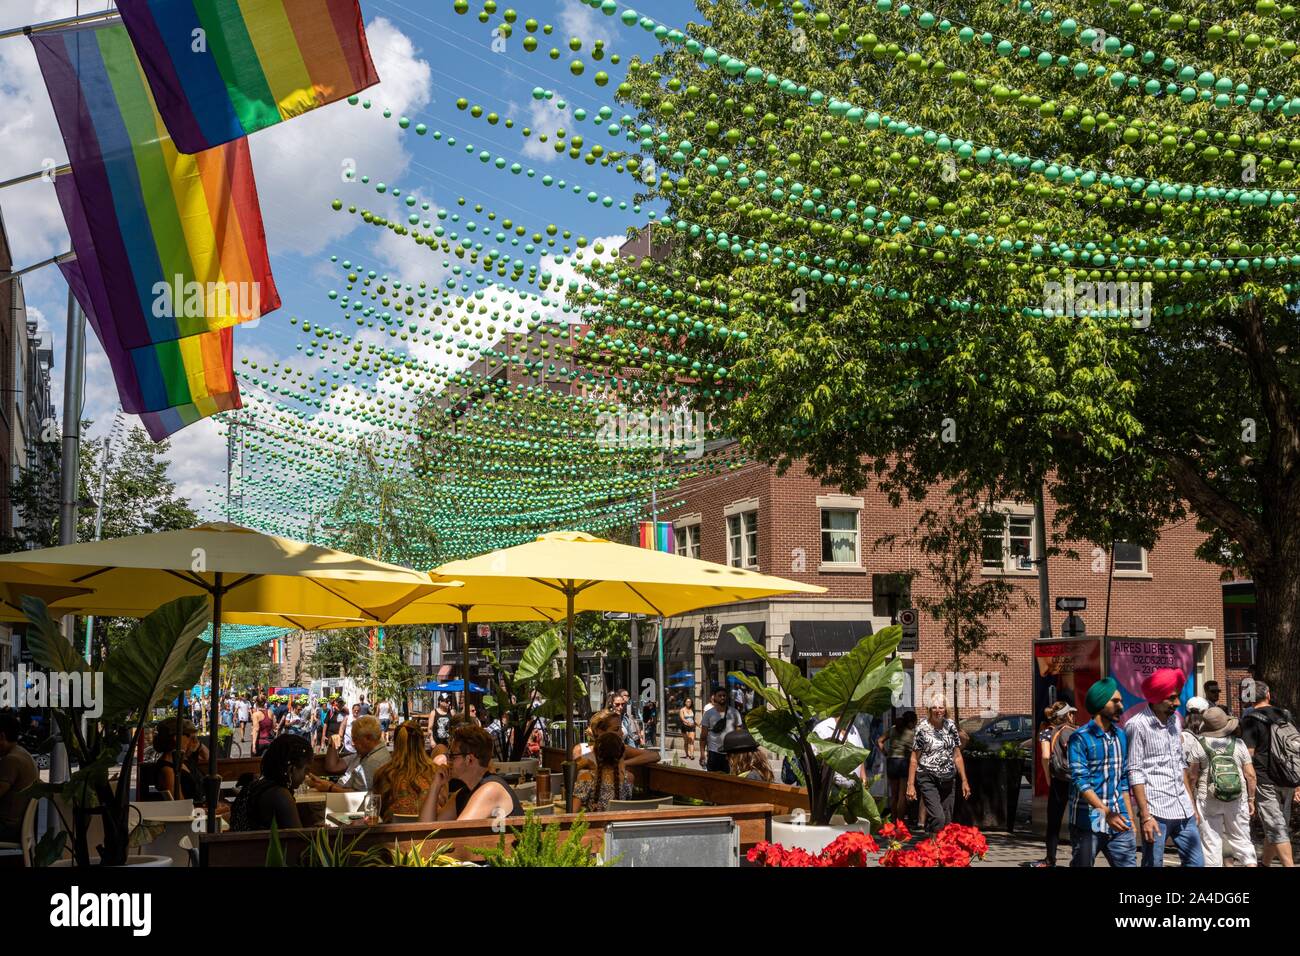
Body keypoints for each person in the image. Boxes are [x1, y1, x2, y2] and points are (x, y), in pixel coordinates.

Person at [1126, 668, 1203, 867]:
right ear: (1156, 698)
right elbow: (1134, 770)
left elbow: (1179, 763)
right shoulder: (1137, 725)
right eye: (1171, 698)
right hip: (1156, 809)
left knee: (1197, 863)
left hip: (1183, 807)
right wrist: (1145, 815)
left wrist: (1191, 803)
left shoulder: (1175, 721)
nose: (1177, 703)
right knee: (1153, 863)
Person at [1068, 677, 1137, 867]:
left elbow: (1123, 779)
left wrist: (1129, 816)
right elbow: (1081, 781)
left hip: (1118, 817)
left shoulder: (1121, 735)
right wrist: (1106, 813)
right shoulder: (1080, 738)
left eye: (1121, 701)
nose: (1121, 706)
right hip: (1088, 820)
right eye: (1115, 701)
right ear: (1099, 704)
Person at [1188, 707, 1257, 867]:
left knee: (1211, 843)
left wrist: (1191, 798)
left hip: (1208, 798)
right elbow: (1251, 775)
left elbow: (1192, 776)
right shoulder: (1239, 744)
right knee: (1242, 840)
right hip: (1237, 798)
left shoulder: (1199, 745)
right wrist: (1251, 799)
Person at [1240, 681, 1299, 867]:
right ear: (1268, 695)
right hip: (1288, 777)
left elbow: (1247, 755)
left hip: (1265, 781)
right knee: (1275, 825)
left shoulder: (1250, 720)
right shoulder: (1286, 715)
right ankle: (1265, 864)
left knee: (1276, 827)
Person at [419, 724, 522, 822]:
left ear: (469, 759)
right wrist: (435, 786)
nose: (448, 761)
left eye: (452, 756)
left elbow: (459, 834)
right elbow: (426, 829)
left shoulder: (491, 789)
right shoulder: (461, 795)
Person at [907, 696, 969, 833]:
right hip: (927, 776)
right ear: (929, 710)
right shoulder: (922, 728)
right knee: (938, 817)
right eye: (934, 707)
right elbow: (914, 758)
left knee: (946, 821)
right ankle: (933, 849)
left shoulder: (950, 726)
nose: (938, 710)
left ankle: (938, 849)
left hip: (948, 777)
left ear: (946, 709)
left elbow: (957, 756)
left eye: (941, 707)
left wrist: (964, 780)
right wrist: (910, 785)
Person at [229, 735, 312, 831]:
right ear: (291, 769)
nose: (306, 776)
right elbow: (297, 840)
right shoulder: (280, 795)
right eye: (306, 770)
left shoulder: (255, 786)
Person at [1029, 702, 1076, 867]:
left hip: (1059, 780)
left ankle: (1050, 859)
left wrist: (1049, 778)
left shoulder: (1046, 732)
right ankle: (1080, 858)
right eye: (1071, 713)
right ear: (1067, 715)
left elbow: (1046, 756)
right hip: (1077, 780)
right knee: (1078, 820)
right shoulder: (1075, 731)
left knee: (1054, 821)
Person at [371, 721, 439, 822]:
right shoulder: (437, 773)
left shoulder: (383, 774)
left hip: (392, 835)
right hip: (430, 834)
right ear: (422, 742)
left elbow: (377, 810)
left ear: (396, 743)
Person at [309, 715, 391, 794]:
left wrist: (330, 787)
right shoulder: (364, 754)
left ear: (368, 738)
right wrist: (332, 743)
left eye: (355, 739)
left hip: (342, 803)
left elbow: (358, 795)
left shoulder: (374, 761)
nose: (352, 743)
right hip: (338, 798)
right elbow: (332, 766)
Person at [0, 712, 38, 843]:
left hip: (8, 828)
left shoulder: (11, 760)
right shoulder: (23, 753)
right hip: (20, 826)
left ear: (2, 736)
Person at [574, 731, 633, 812]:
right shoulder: (629, 778)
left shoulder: (587, 777)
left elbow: (573, 812)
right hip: (619, 824)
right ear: (621, 754)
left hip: (594, 824)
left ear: (595, 753)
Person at [879, 711, 917, 825]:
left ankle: (893, 819)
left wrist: (885, 753)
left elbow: (879, 741)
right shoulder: (911, 733)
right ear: (911, 722)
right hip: (904, 762)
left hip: (891, 762)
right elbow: (915, 751)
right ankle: (900, 823)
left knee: (893, 795)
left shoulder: (893, 729)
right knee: (902, 795)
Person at [153, 719, 203, 801]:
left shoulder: (183, 761)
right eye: (190, 736)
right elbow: (180, 805)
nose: (193, 740)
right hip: (193, 812)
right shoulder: (168, 770)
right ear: (177, 738)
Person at [700, 689, 741, 773]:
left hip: (730, 753)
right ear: (714, 697)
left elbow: (739, 735)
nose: (722, 697)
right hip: (713, 752)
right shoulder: (708, 713)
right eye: (719, 695)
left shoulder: (735, 712)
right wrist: (702, 754)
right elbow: (703, 737)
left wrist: (738, 755)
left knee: (729, 780)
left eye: (724, 695)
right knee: (713, 779)